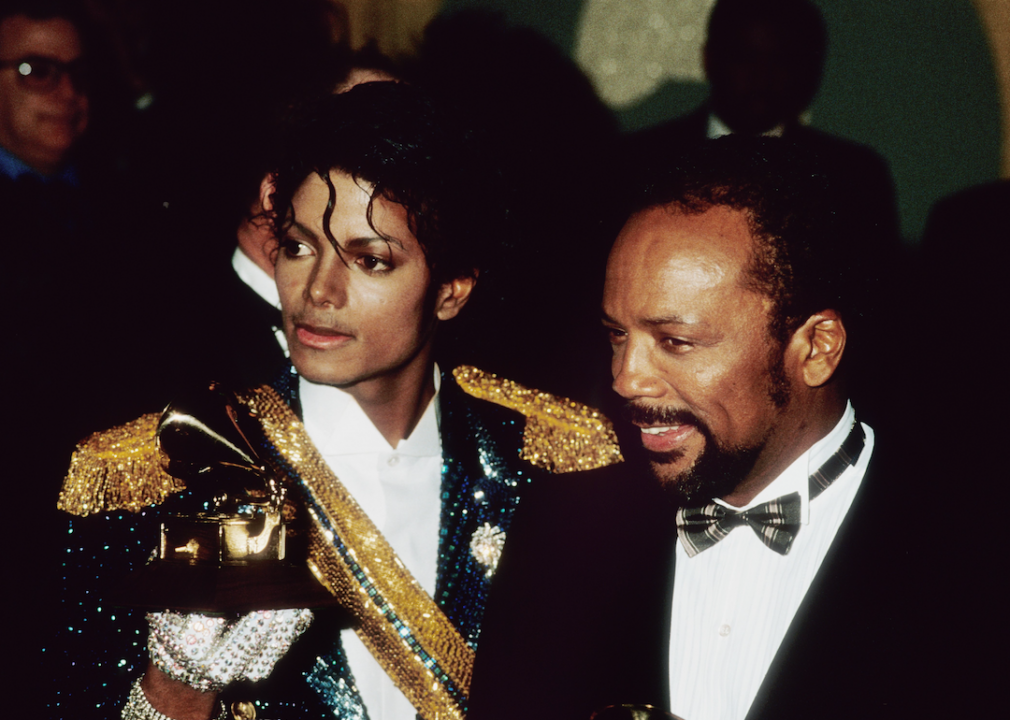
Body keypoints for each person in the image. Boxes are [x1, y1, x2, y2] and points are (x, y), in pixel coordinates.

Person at [49, 82, 622, 720]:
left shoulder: (554, 460)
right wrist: (176, 692)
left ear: (453, 289)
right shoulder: (150, 474)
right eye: (297, 247)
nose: (318, 290)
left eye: (370, 261)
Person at [467, 137, 928, 720]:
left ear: (815, 348)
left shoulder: (965, 556)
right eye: (616, 335)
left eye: (676, 342)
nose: (626, 379)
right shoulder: (565, 532)